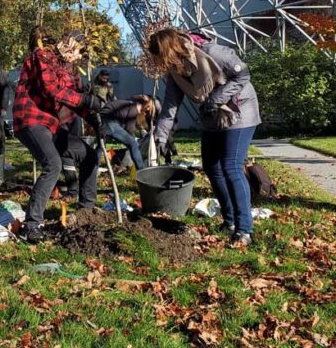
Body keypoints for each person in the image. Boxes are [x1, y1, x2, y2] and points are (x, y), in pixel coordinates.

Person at [149, 28, 261, 246]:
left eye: (162, 57)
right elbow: (170, 106)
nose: (163, 64)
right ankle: (229, 221)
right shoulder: (175, 71)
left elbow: (243, 75)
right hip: (212, 116)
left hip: (239, 111)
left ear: (171, 49)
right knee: (212, 167)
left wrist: (215, 98)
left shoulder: (212, 52)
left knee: (231, 167)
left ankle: (244, 229)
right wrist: (160, 137)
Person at [13, 26, 104, 243]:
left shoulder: (67, 68)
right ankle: (32, 224)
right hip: (30, 120)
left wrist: (93, 117)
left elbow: (72, 96)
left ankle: (86, 211)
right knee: (53, 164)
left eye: (80, 54)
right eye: (78, 50)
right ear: (69, 42)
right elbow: (51, 90)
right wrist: (84, 100)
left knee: (89, 155)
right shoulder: (41, 55)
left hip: (50, 125)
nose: (77, 57)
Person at [101, 94, 160, 171]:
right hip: (107, 121)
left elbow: (128, 127)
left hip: (102, 118)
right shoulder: (134, 109)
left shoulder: (131, 104)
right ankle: (142, 171)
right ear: (147, 107)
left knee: (100, 147)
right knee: (133, 143)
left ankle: (92, 167)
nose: (145, 114)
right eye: (147, 112)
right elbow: (130, 130)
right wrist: (136, 141)